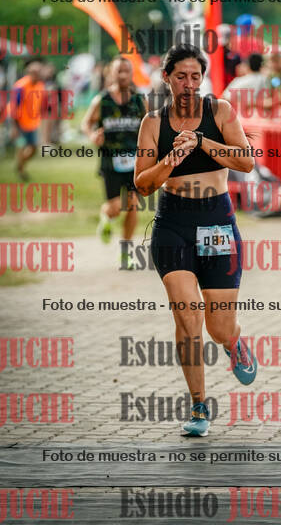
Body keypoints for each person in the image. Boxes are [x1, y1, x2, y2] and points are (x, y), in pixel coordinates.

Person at [135, 44, 258, 437]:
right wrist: (170, 159)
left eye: (195, 76)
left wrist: (201, 142)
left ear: (202, 79)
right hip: (173, 225)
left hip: (216, 222)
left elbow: (246, 161)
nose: (188, 84)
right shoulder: (153, 123)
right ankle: (199, 406)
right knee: (187, 317)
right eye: (180, 76)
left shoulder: (220, 111)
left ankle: (233, 341)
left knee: (218, 327)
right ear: (167, 78)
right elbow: (142, 184)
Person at [83, 56, 146, 244]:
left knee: (133, 205)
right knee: (115, 207)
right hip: (110, 160)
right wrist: (93, 135)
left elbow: (151, 124)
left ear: (132, 74)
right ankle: (106, 217)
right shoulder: (102, 100)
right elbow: (86, 123)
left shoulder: (139, 100)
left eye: (127, 71)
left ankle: (125, 250)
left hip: (135, 160)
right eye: (119, 71)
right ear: (110, 73)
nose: (123, 75)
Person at [11, 60, 45, 180]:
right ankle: (21, 171)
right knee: (21, 148)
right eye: (36, 72)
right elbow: (14, 107)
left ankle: (19, 165)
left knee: (34, 149)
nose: (39, 74)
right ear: (29, 73)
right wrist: (14, 127)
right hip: (20, 123)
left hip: (33, 123)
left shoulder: (40, 85)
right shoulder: (20, 86)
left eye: (40, 72)